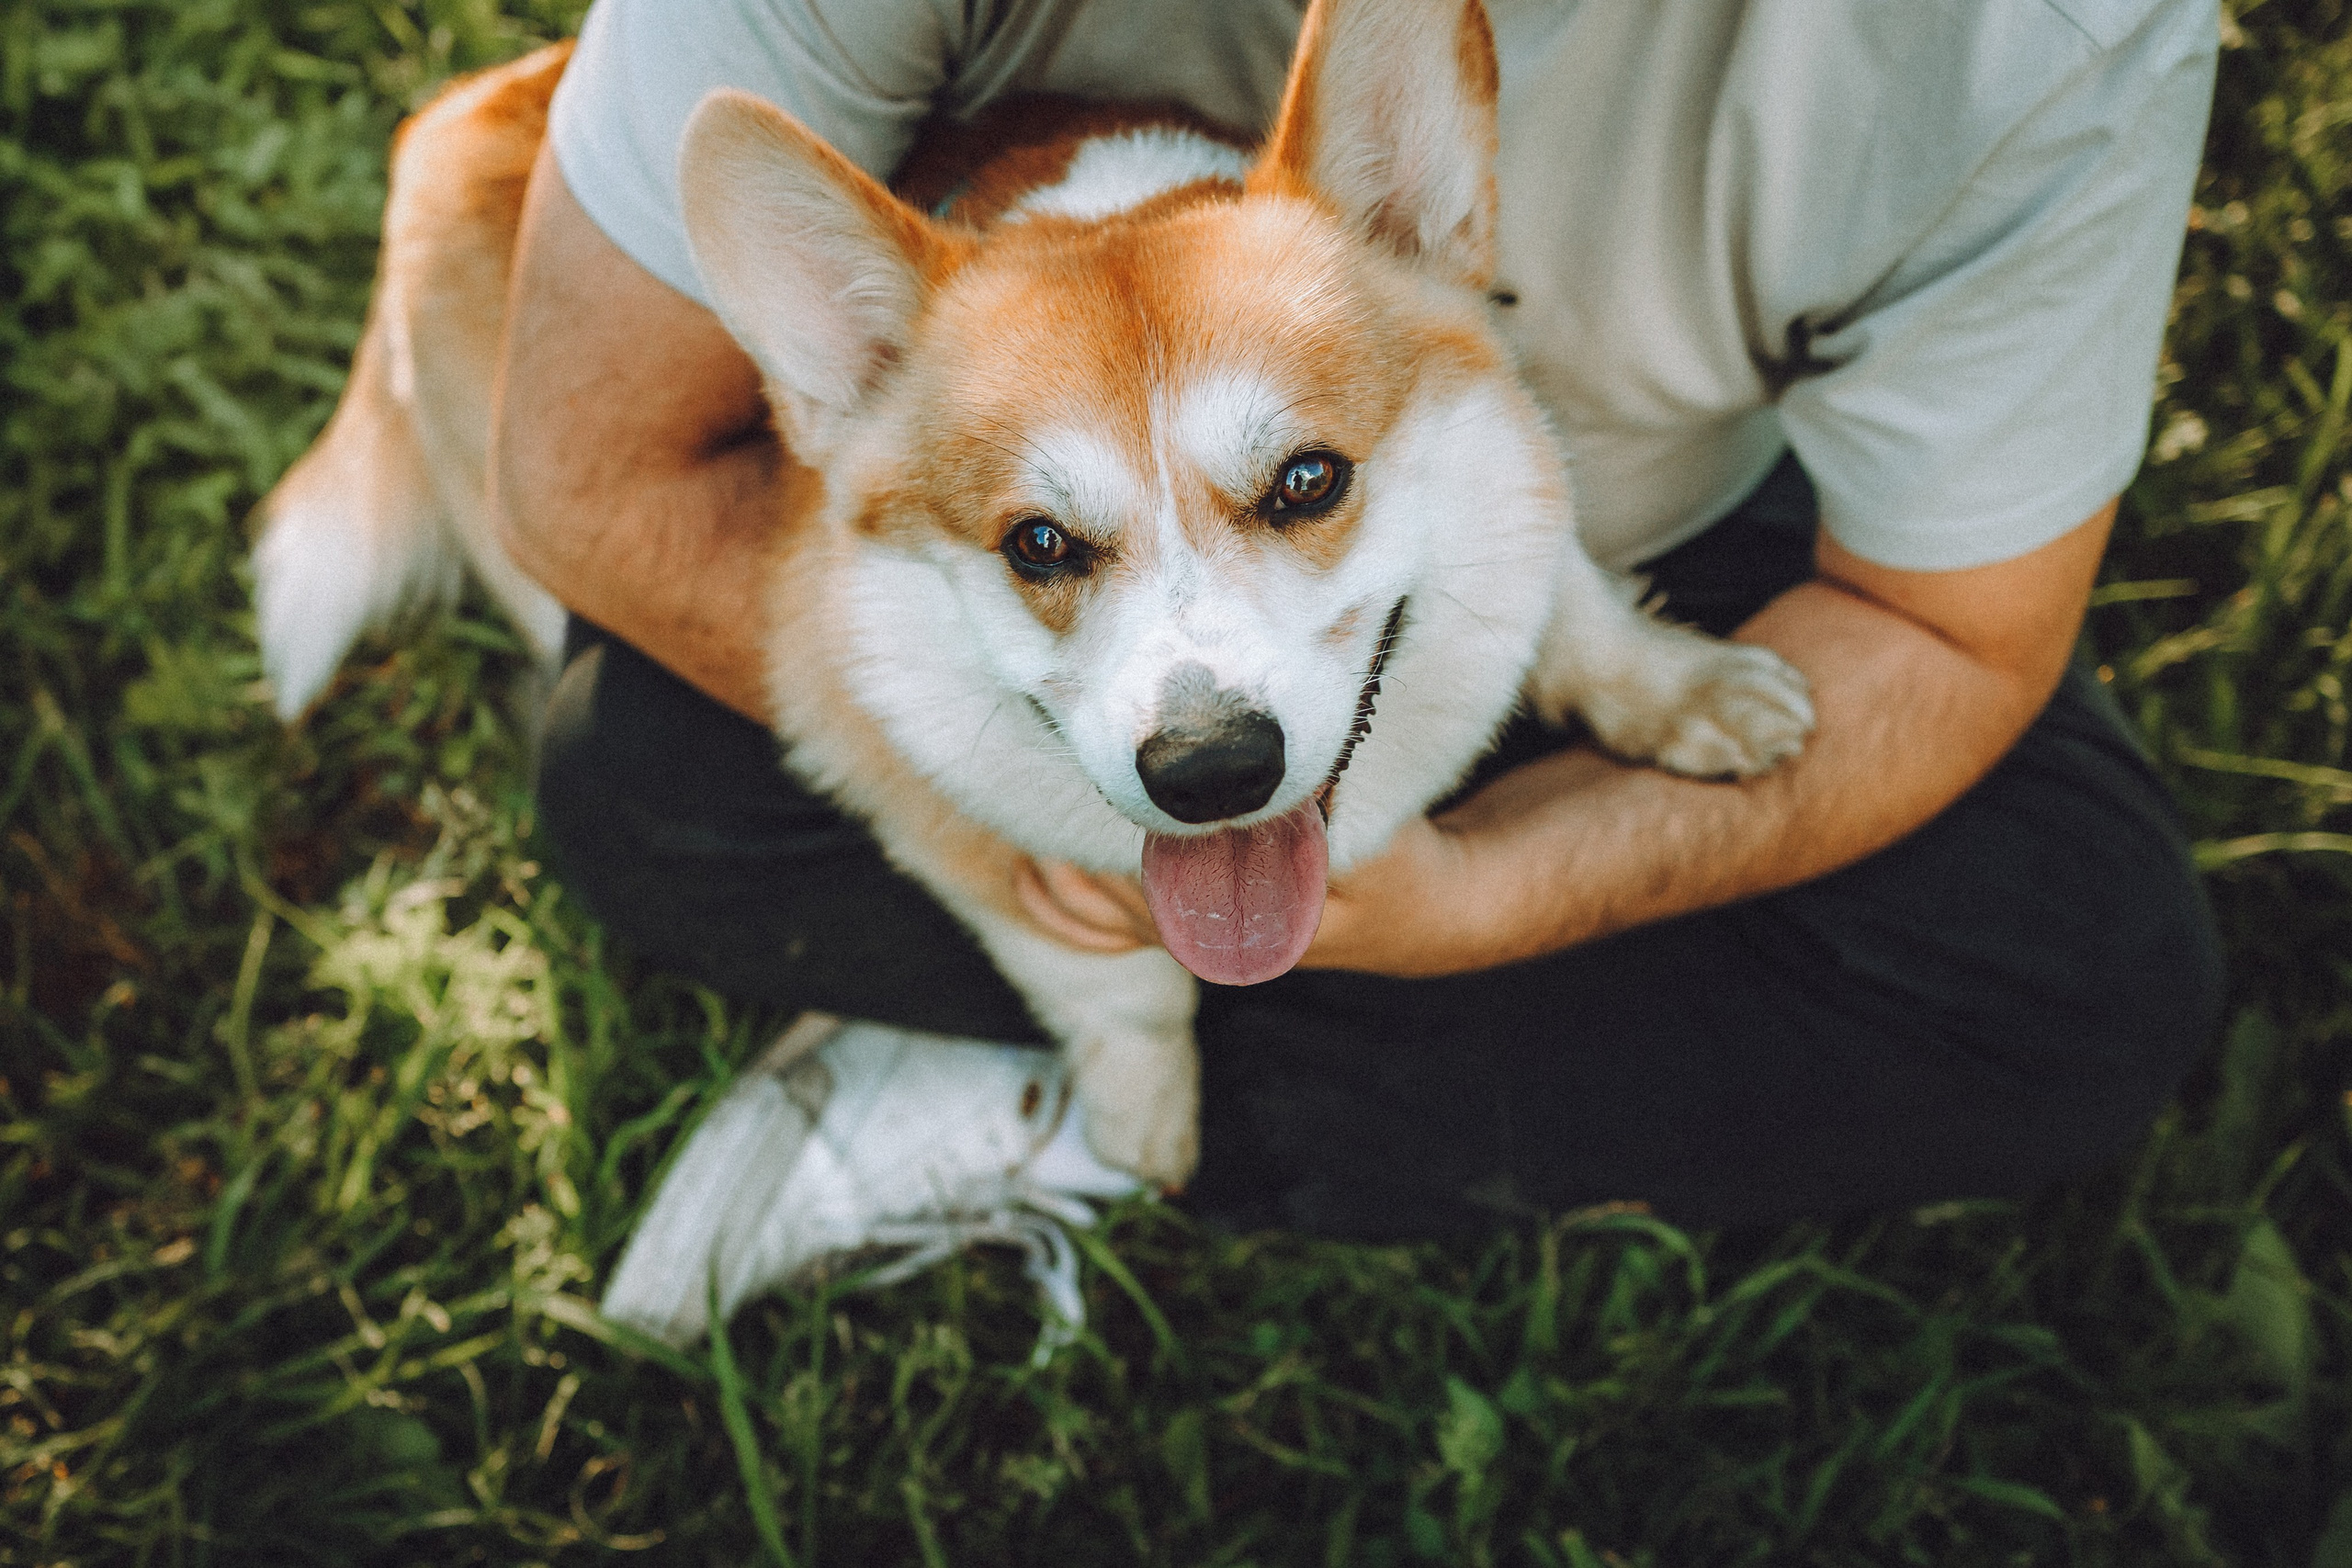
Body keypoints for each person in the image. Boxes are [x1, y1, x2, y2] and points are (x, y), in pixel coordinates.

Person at [496, 0, 2227, 1339]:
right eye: (1051, 544)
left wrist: (1499, 877)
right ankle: (1104, 1069)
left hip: (1626, 514)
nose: (1205, 719)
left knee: (2085, 969)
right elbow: (594, 480)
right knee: (630, 776)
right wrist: (1051, 866)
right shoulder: (911, 370)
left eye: (1298, 487)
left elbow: (1947, 634)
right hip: (1047, 494)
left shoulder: (2037, 40)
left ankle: (1033, 1029)